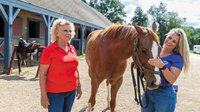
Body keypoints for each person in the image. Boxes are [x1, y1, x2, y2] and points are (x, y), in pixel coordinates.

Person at [141, 28, 190, 112]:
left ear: (177, 46)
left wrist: (162, 66)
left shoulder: (177, 58)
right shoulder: (154, 50)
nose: (170, 41)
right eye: (170, 38)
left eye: (174, 41)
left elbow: (172, 79)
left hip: (164, 95)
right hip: (148, 91)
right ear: (166, 36)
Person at [39, 18, 82, 112]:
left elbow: (75, 68)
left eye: (70, 30)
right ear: (57, 33)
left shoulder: (72, 49)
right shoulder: (49, 50)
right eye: (65, 30)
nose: (68, 33)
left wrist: (79, 86)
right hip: (55, 93)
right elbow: (42, 74)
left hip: (71, 90)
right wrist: (43, 95)